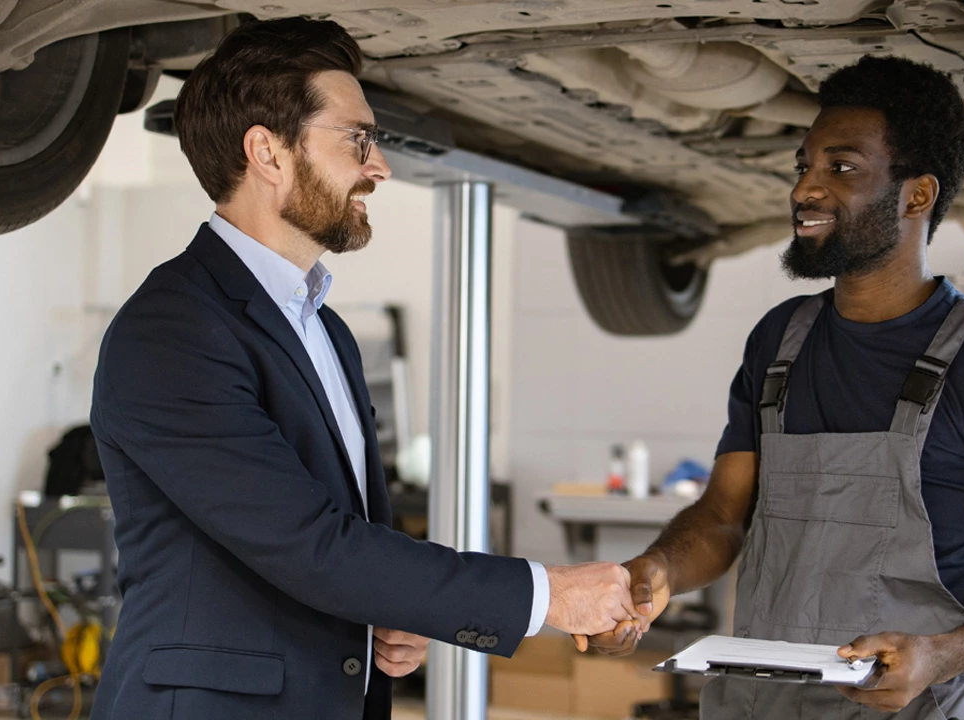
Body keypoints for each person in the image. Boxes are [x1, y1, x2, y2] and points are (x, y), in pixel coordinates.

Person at [89, 18, 635, 720]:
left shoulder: (324, 327)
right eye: (358, 139)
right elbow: (311, 544)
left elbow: (341, 545)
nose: (380, 167)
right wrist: (547, 594)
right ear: (268, 151)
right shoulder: (171, 330)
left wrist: (385, 612)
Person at [586, 55, 964, 718]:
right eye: (805, 165)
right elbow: (720, 518)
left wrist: (943, 654)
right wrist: (654, 575)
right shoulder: (780, 341)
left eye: (842, 168)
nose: (805, 189)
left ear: (917, 195)